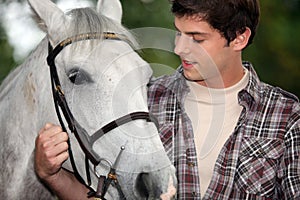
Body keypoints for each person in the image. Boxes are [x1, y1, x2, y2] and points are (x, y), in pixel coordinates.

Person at [35, 0, 300, 199]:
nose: (179, 48)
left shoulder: (286, 116)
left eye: (197, 38)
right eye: (178, 33)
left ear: (240, 37)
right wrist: (52, 175)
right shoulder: (144, 102)